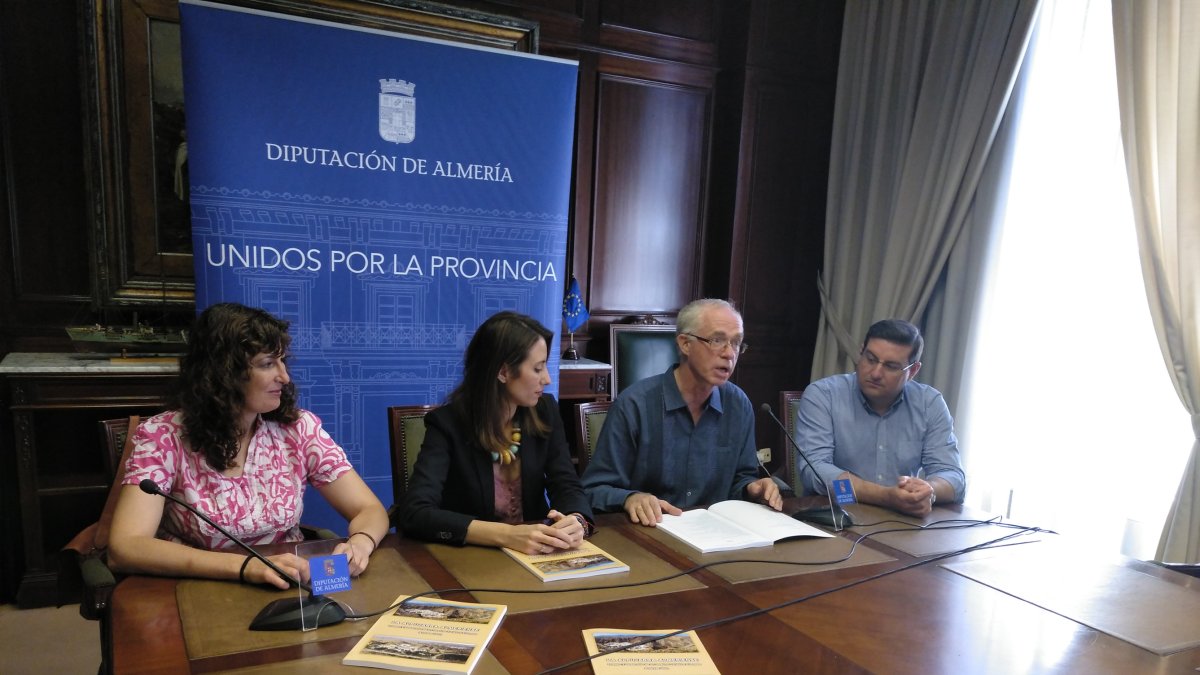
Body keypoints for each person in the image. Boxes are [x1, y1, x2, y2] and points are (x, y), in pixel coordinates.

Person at [108, 303, 389, 589]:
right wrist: (245, 566)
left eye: (283, 361)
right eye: (267, 364)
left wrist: (361, 543)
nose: (285, 377)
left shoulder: (298, 429)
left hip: (288, 585)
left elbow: (369, 509)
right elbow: (126, 546)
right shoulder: (163, 436)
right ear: (223, 372)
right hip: (196, 587)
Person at [398, 311, 594, 555]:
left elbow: (566, 484)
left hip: (538, 554)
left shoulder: (545, 411)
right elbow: (415, 513)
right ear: (503, 372)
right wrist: (507, 535)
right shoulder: (447, 424)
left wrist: (577, 521)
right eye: (537, 368)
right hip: (472, 558)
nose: (548, 379)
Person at [581, 298, 782, 526]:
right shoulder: (634, 405)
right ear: (685, 344)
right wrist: (630, 498)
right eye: (717, 340)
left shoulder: (738, 405)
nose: (729, 354)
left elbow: (741, 478)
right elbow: (593, 490)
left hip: (716, 534)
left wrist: (752, 488)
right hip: (650, 533)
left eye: (736, 343)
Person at [796, 319, 966, 517]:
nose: (876, 373)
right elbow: (814, 472)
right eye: (870, 359)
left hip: (902, 520)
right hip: (836, 515)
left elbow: (954, 477)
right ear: (861, 352)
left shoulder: (929, 403)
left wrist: (928, 491)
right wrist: (885, 496)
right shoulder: (823, 395)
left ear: (912, 371)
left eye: (891, 366)